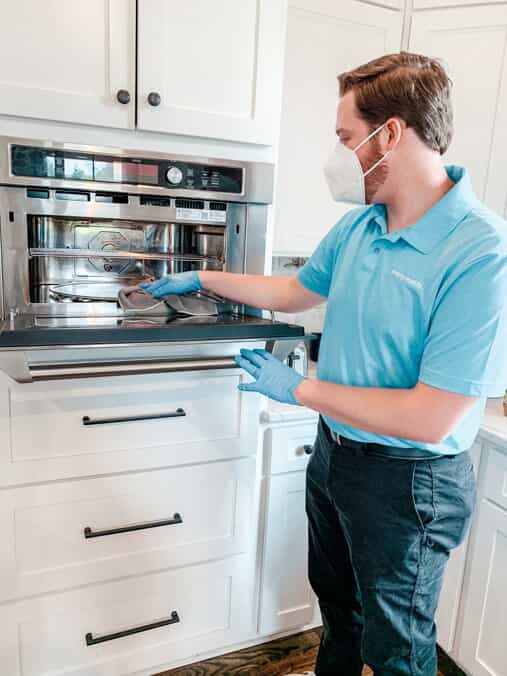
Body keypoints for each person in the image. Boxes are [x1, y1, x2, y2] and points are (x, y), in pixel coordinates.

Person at [142, 52, 507, 676]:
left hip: (410, 482)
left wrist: (301, 388)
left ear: (388, 134)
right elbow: (293, 293)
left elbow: (429, 415)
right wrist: (203, 276)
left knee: (397, 648)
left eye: (346, 138)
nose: (337, 156)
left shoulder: (481, 250)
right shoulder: (359, 225)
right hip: (336, 455)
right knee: (339, 612)